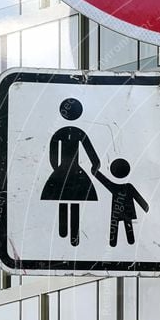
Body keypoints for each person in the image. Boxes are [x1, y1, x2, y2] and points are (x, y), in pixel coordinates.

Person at [40, 98, 100, 246]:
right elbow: (91, 153)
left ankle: (66, 233)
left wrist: (57, 171)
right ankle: (69, 235)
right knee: (72, 201)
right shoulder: (78, 133)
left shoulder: (60, 133)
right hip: (74, 171)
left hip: (64, 170)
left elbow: (52, 156)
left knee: (66, 199)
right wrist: (95, 165)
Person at [92, 158, 149, 246]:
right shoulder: (128, 186)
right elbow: (139, 198)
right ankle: (122, 243)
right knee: (126, 227)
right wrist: (145, 207)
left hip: (117, 211)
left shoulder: (115, 187)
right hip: (126, 211)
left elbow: (103, 180)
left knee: (116, 228)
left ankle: (115, 243)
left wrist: (94, 171)